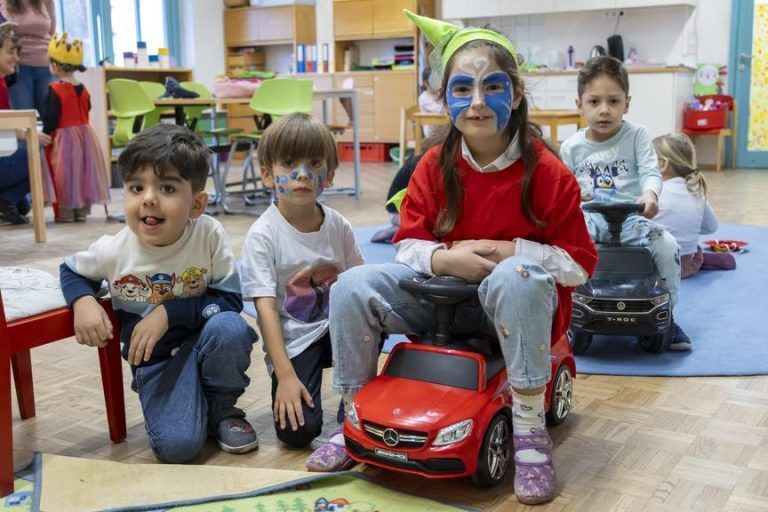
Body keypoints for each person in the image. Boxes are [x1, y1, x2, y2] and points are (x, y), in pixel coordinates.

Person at [309, 11, 598, 506]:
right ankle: (352, 410)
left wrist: (512, 252)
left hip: (516, 309)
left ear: (517, 93)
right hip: (440, 299)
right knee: (351, 285)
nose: (478, 102)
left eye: (494, 87)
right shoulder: (432, 166)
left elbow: (578, 265)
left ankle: (529, 432)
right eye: (463, 89)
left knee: (519, 276)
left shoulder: (549, 173)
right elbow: (407, 243)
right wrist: (446, 259)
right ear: (446, 100)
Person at [59, 124, 260, 463]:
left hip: (206, 342)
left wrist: (168, 313)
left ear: (196, 204)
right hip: (156, 363)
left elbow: (230, 300)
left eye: (167, 187)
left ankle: (223, 410)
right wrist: (84, 301)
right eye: (136, 187)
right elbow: (71, 271)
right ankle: (191, 400)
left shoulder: (209, 235)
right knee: (178, 449)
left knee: (231, 327)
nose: (149, 198)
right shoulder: (113, 250)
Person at [239, 113, 363, 466]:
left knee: (373, 310)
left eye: (314, 164)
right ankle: (305, 390)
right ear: (267, 174)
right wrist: (286, 376)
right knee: (297, 434)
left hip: (339, 328)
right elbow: (264, 312)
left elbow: (360, 286)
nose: (303, 174)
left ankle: (352, 407)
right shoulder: (264, 235)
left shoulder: (338, 225)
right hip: (296, 338)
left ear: (330, 175)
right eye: (289, 163)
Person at [559, 56, 689, 349]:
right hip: (588, 219)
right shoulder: (571, 147)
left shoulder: (637, 136)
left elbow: (650, 172)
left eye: (613, 102)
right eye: (594, 102)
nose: (604, 110)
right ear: (579, 104)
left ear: (626, 104)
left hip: (631, 219)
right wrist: (571, 198)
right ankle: (566, 313)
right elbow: (562, 188)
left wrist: (650, 195)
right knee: (563, 249)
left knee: (667, 245)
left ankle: (668, 315)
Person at [43, 33, 109, 222]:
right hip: (86, 135)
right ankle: (82, 210)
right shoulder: (84, 88)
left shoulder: (55, 89)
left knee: (66, 174)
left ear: (55, 66)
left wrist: (45, 133)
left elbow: (52, 117)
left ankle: (66, 212)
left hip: (65, 138)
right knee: (84, 173)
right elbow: (86, 108)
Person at [652, 133, 735, 285]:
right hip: (688, 264)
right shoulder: (695, 191)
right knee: (691, 247)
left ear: (663, 164)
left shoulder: (653, 193)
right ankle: (710, 260)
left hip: (655, 268)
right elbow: (711, 227)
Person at [0, 21, 51, 225]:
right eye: (10, 52)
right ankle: (7, 198)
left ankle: (8, 198)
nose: (16, 58)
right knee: (39, 156)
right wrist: (29, 135)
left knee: (23, 206)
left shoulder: (3, 82)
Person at [0, 0, 55, 112]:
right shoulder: (4, 3)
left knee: (50, 116)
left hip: (45, 65)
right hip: (18, 67)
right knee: (22, 116)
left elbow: (51, 31)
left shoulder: (46, 2)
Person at [418, 66, 443, 137]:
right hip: (432, 133)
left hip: (442, 129)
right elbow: (439, 111)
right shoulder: (423, 98)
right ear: (426, 83)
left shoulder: (438, 95)